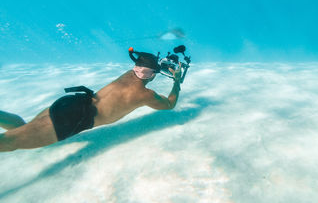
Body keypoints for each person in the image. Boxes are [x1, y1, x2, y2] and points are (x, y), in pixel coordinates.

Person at [0, 50, 182, 152]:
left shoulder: (127, 74)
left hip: (72, 102)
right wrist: (176, 82)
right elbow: (169, 104)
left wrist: (158, 65)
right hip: (74, 118)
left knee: (20, 130)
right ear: (153, 74)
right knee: (8, 142)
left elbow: (146, 68)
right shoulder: (145, 94)